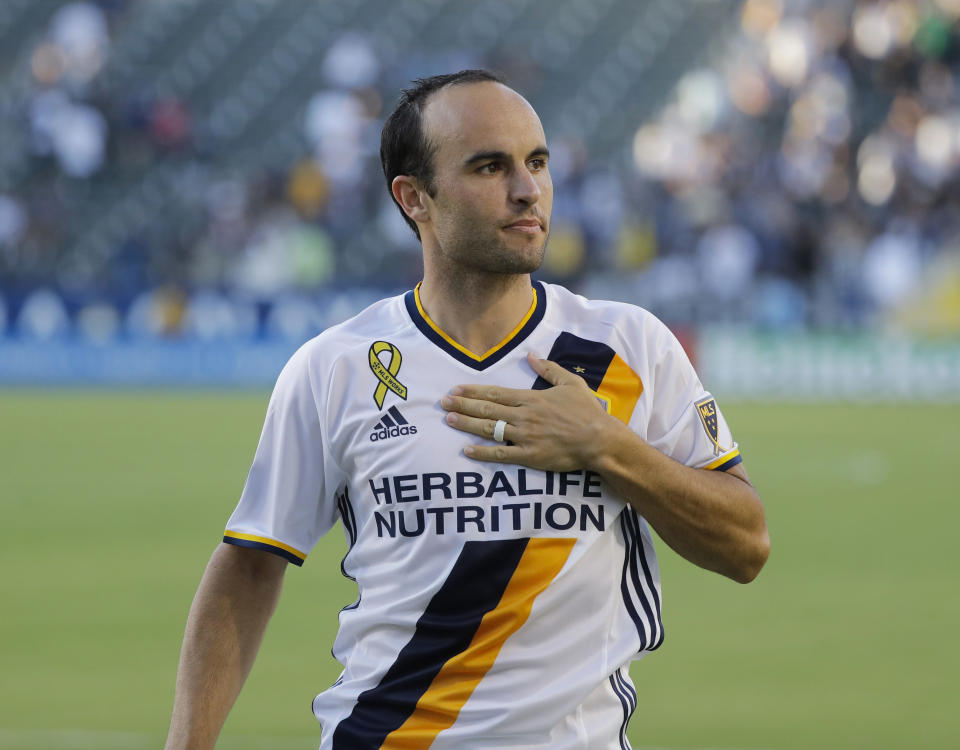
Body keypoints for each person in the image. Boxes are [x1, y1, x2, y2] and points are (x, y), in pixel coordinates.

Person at [163, 69, 770, 750]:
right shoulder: (335, 367)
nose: (527, 188)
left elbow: (746, 545)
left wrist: (608, 446)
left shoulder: (625, 346)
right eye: (490, 166)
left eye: (537, 162)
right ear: (413, 197)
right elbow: (249, 564)